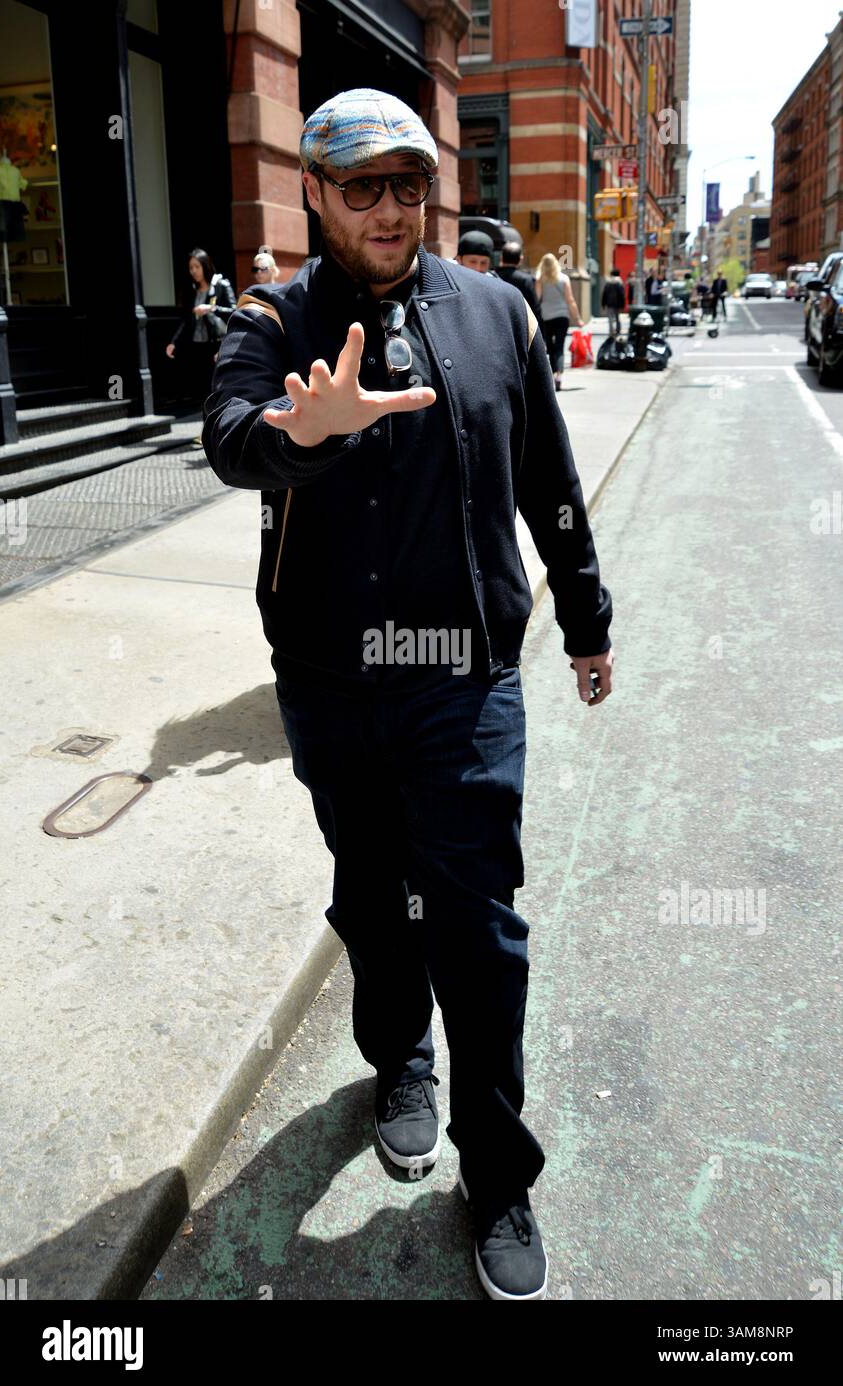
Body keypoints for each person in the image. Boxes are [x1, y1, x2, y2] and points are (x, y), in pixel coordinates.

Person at [202, 86, 613, 1302]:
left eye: (408, 184)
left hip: (464, 679)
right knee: (377, 907)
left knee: (475, 925)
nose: (389, 208)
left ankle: (498, 1174)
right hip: (335, 682)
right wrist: (305, 435)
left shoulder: (495, 312)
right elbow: (228, 431)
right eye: (362, 186)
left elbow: (546, 476)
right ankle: (400, 1064)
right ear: (317, 195)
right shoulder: (277, 318)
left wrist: (584, 615)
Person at [166, 248, 237, 444]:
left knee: (217, 389)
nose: (193, 271)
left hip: (217, 345)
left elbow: (234, 311)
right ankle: (208, 431)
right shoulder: (192, 290)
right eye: (191, 268)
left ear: (205, 266)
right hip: (197, 346)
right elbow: (186, 320)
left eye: (196, 266)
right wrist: (174, 342)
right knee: (202, 391)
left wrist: (211, 308)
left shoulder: (221, 285)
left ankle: (221, 429)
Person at [534, 252, 584, 389]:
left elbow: (537, 299)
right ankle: (559, 375)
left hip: (546, 316)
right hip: (562, 316)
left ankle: (553, 372)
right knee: (560, 347)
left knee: (550, 347)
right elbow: (570, 300)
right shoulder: (564, 278)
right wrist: (578, 319)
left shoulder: (540, 279)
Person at [495, 240, 541, 324]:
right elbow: (535, 309)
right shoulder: (527, 280)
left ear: (501, 258)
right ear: (521, 259)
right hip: (520, 325)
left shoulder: (492, 276)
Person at [601, 267, 625, 337]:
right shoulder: (620, 282)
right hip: (618, 304)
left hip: (609, 303)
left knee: (610, 318)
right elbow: (622, 295)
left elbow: (604, 294)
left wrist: (603, 304)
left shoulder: (608, 282)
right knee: (617, 317)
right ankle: (618, 330)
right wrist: (622, 305)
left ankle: (611, 332)